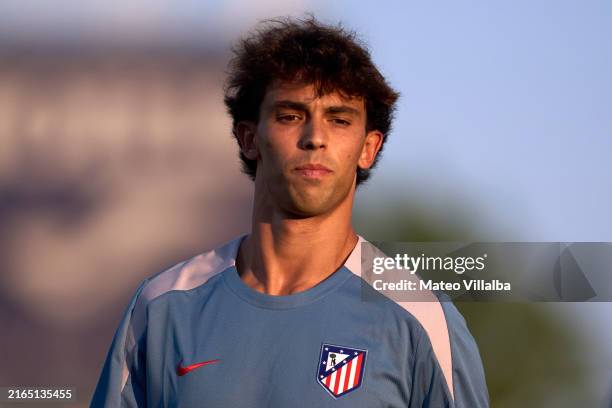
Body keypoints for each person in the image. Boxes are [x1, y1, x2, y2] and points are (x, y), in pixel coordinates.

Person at [91, 16, 489, 407]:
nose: (315, 138)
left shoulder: (420, 318)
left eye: (339, 120)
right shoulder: (162, 307)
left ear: (368, 148)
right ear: (249, 138)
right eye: (291, 116)